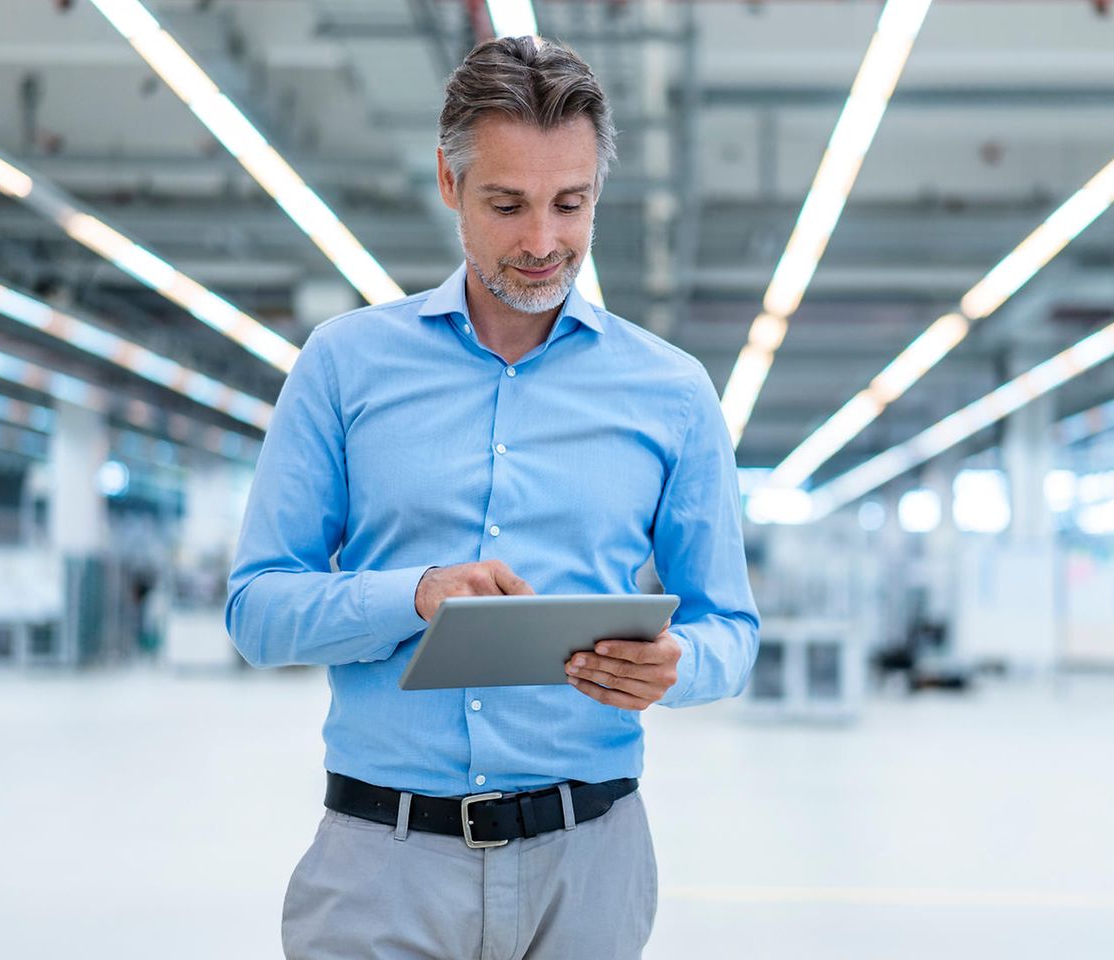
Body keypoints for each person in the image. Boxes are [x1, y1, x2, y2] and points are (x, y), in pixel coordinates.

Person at [225, 35, 758, 960]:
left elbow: (733, 630)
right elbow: (258, 609)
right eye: (508, 205)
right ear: (448, 181)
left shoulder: (671, 393)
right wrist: (416, 594)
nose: (544, 242)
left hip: (588, 867)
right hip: (380, 870)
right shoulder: (346, 367)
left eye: (572, 203)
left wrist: (679, 665)